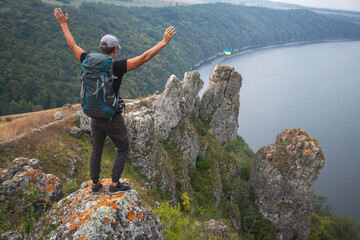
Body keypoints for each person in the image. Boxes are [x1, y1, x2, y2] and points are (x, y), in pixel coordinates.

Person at [54, 8, 176, 194]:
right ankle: (114, 184)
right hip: (112, 117)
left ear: (100, 47)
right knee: (123, 148)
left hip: (93, 114)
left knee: (97, 149)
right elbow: (144, 57)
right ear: (115, 49)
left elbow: (72, 45)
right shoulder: (116, 66)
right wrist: (164, 42)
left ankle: (95, 185)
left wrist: (63, 24)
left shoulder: (86, 60)